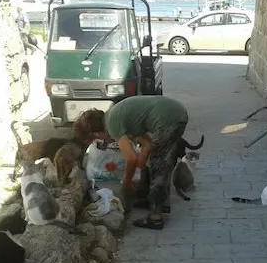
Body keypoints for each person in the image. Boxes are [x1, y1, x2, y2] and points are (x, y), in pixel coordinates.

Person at [74, 96, 189, 230]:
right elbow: (146, 144)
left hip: (169, 119)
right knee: (158, 162)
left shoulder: (112, 125)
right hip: (175, 112)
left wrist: (127, 182)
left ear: (97, 133)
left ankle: (156, 218)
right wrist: (139, 172)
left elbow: (131, 158)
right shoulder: (116, 116)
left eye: (95, 138)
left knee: (159, 166)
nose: (102, 141)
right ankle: (157, 202)